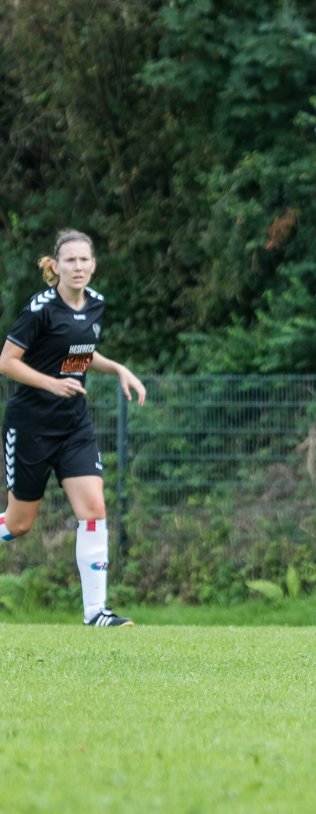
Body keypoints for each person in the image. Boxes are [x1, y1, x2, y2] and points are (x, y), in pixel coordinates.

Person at [0, 229, 147, 627]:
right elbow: (7, 362)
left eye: (85, 260)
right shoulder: (40, 308)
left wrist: (118, 368)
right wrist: (51, 384)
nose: (78, 267)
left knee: (94, 509)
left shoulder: (96, 304)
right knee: (19, 525)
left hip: (73, 424)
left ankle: (96, 613)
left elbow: (82, 351)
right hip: (30, 425)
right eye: (70, 261)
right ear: (57, 265)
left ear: (93, 264)